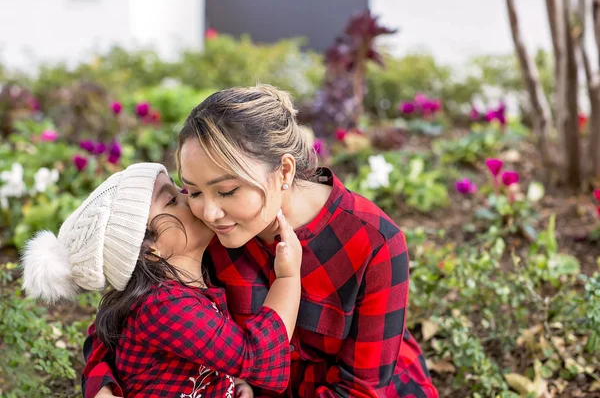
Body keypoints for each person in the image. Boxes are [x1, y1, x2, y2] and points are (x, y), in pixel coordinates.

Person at [85, 85, 438, 397]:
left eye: (227, 190)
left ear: (284, 171)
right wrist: (101, 386)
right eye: (191, 190)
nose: (208, 211)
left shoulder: (373, 242)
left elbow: (361, 389)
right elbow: (121, 318)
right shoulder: (199, 231)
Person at [21, 162, 303, 398]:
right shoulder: (165, 305)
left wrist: (229, 382)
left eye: (183, 190)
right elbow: (260, 359)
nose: (190, 199)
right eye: (172, 199)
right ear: (146, 248)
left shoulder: (182, 286)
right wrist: (288, 277)